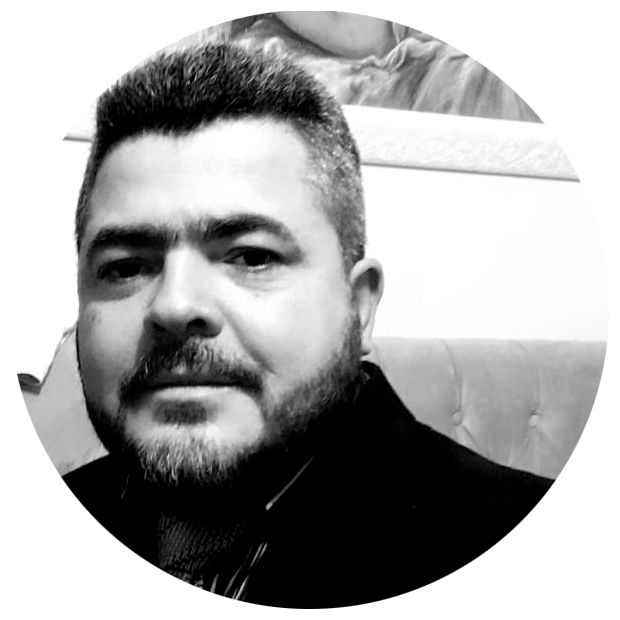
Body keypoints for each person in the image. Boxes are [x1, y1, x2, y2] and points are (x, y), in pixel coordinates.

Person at [11, 43, 607, 609]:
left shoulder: (574, 569)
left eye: (252, 256)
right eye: (125, 267)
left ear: (359, 306)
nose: (173, 305)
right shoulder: (35, 535)